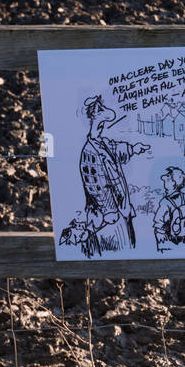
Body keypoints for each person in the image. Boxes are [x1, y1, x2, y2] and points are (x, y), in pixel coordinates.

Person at [76, 95, 149, 251]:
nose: (102, 127)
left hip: (121, 209)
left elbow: (114, 148)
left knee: (128, 244)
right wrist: (109, 210)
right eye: (100, 123)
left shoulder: (101, 143)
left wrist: (133, 148)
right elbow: (95, 185)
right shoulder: (90, 151)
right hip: (109, 217)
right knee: (115, 247)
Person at [154, 166, 185, 251]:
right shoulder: (184, 196)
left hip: (171, 239)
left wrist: (160, 239)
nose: (164, 183)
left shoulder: (165, 202)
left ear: (173, 183)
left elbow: (159, 222)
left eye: (166, 181)